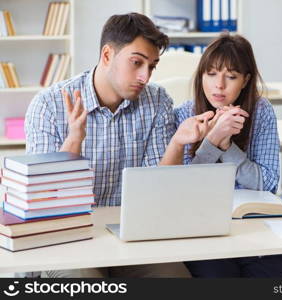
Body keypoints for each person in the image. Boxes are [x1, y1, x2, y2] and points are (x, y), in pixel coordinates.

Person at [25, 12, 210, 278]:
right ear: (107, 55)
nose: (145, 76)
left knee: (177, 279)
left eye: (152, 66)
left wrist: (177, 143)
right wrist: (74, 140)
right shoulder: (49, 105)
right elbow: (46, 199)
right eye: (136, 63)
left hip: (134, 239)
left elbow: (159, 191)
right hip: (69, 240)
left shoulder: (157, 102)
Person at [173, 33, 282, 278]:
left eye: (231, 76)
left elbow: (268, 182)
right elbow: (184, 185)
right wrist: (212, 140)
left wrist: (227, 145)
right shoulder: (185, 114)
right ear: (201, 76)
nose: (219, 85)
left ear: (245, 80)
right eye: (211, 74)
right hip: (202, 226)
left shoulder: (261, 111)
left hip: (255, 223)